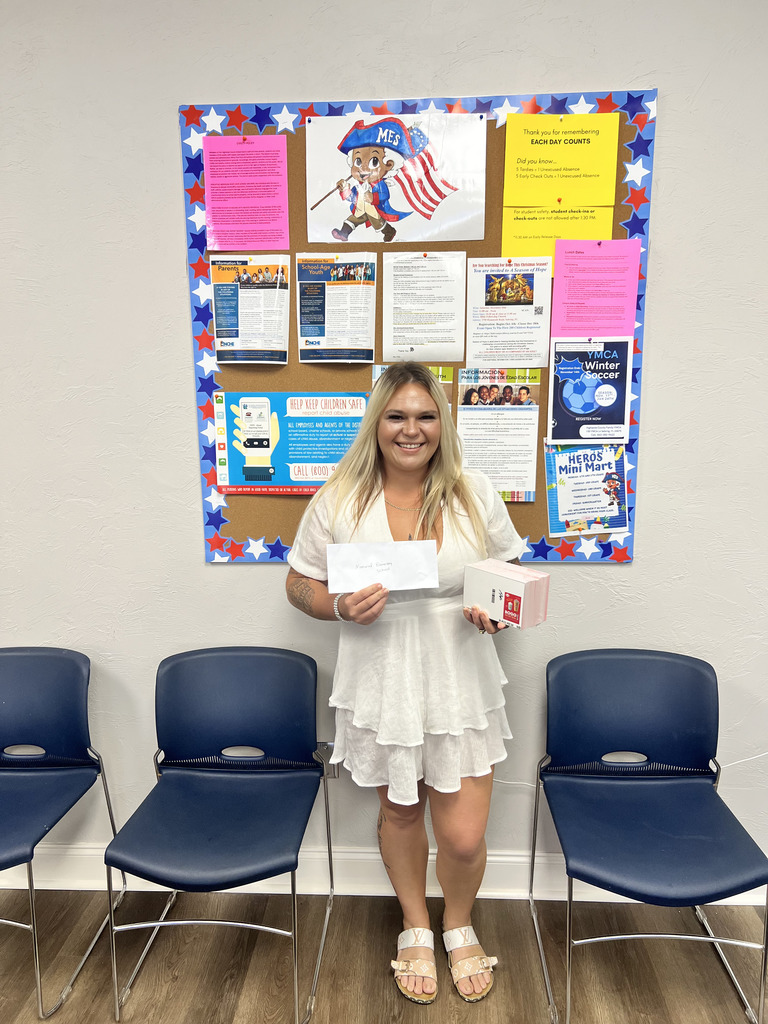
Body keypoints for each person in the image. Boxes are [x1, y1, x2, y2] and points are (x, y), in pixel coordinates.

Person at [286, 362, 524, 1005]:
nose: (411, 429)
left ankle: (458, 920)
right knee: (400, 808)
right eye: (397, 416)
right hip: (381, 676)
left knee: (465, 832)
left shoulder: (475, 492)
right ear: (377, 423)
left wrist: (496, 607)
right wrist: (334, 606)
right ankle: (417, 924)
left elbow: (509, 572)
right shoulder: (339, 496)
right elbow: (299, 583)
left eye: (425, 416)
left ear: (442, 425)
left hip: (459, 673)